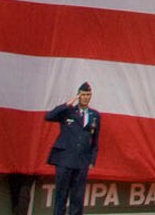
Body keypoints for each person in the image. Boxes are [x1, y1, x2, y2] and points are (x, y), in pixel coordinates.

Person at [44, 83, 100, 215]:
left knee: (77, 197)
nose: (85, 98)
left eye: (88, 95)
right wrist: (67, 104)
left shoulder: (94, 115)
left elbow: (95, 140)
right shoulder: (68, 112)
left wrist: (92, 159)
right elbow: (49, 116)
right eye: (83, 95)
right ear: (78, 95)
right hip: (65, 159)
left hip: (81, 161)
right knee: (61, 195)